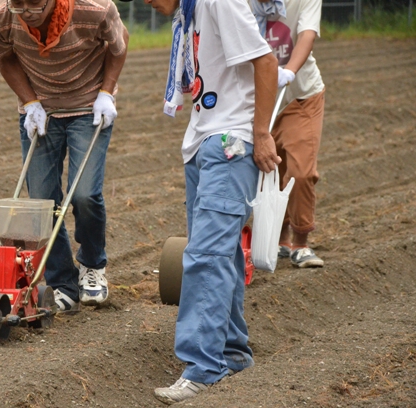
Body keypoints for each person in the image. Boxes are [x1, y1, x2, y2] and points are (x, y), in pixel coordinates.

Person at [145, 0, 279, 403]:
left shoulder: (219, 1)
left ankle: (203, 366)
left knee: (204, 255)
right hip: (204, 142)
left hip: (231, 144)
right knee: (222, 255)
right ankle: (233, 351)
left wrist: (261, 133)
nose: (148, 3)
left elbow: (266, 62)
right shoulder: (188, 12)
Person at [0, 0, 129, 311]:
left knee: (85, 194)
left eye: (34, 1)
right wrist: (29, 101)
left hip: (88, 108)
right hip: (41, 110)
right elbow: (4, 57)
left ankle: (92, 267)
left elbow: (119, 44)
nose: (26, 10)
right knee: (42, 202)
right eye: (18, 3)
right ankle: (62, 281)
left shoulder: (95, 9)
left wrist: (107, 92)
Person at [252, 0, 326, 268]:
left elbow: (307, 35)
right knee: (271, 169)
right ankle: (280, 239)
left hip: (301, 95)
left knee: (301, 170)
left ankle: (301, 242)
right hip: (262, 99)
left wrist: (289, 71)